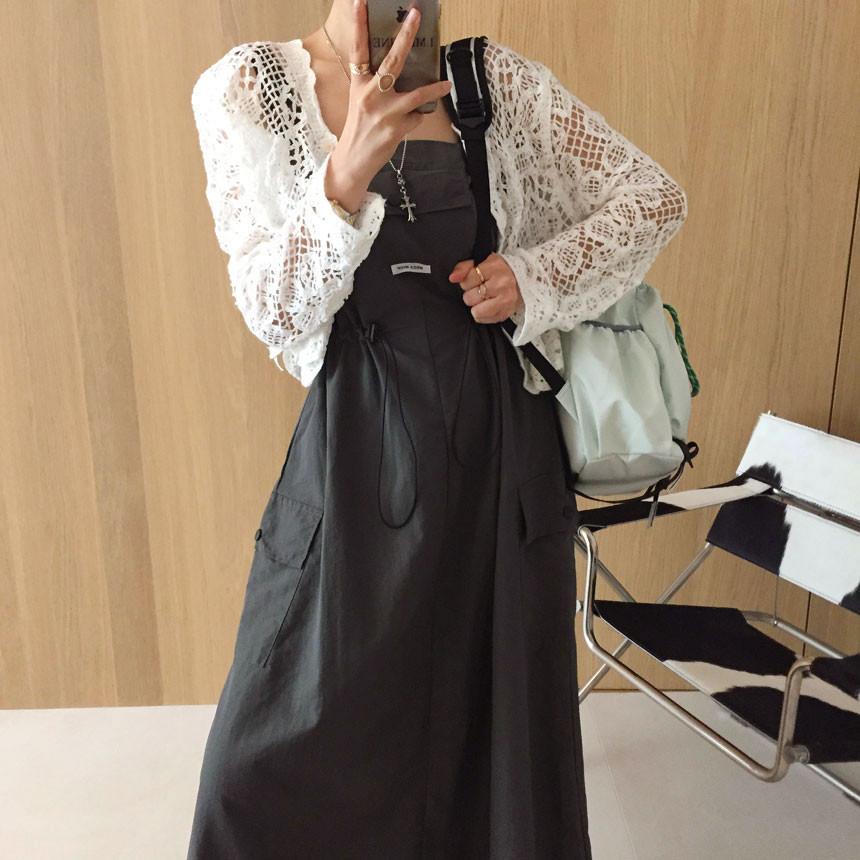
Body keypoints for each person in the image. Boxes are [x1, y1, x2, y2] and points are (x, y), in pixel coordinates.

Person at [186, 1, 687, 857]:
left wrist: (531, 275)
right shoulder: (250, 86)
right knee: (266, 750)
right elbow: (274, 313)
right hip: (354, 451)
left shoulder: (492, 80)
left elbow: (653, 199)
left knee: (494, 738)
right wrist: (343, 177)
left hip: (502, 448)